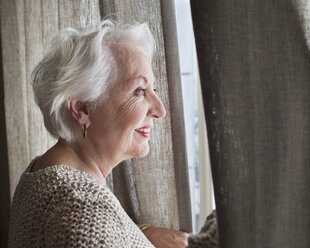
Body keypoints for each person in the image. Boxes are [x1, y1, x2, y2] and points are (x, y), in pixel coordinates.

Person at [8, 20, 188, 248]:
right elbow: (89, 229)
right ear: (82, 109)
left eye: (153, 89)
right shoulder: (84, 213)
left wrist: (142, 235)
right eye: (139, 91)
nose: (160, 110)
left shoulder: (44, 173)